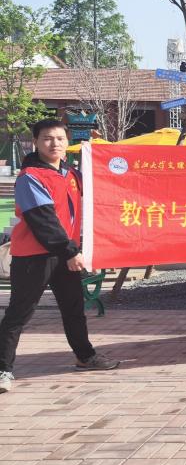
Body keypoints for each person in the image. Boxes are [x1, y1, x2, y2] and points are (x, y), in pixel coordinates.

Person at [0, 119, 119, 393]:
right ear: (35, 142)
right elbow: (43, 221)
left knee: (73, 309)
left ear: (67, 142)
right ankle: (3, 369)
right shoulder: (30, 176)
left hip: (66, 255)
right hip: (34, 257)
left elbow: (99, 197)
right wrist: (70, 251)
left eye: (60, 138)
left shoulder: (70, 173)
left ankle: (85, 357)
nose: (54, 143)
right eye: (47, 138)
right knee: (19, 313)